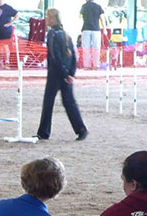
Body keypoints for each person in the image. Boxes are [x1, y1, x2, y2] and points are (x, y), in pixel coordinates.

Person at [35, 8, 88, 142]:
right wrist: (71, 73)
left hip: (55, 74)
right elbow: (74, 56)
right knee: (69, 103)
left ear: (52, 19)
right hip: (66, 74)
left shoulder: (52, 34)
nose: (46, 19)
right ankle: (81, 129)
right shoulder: (66, 34)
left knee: (48, 103)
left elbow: (54, 56)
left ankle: (43, 132)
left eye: (48, 17)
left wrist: (64, 73)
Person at [80, 0, 105, 70]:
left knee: (86, 48)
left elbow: (80, 16)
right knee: (96, 48)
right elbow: (102, 18)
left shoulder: (84, 6)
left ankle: (86, 66)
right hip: (96, 29)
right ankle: (96, 65)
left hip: (86, 29)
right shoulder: (98, 6)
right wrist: (104, 28)